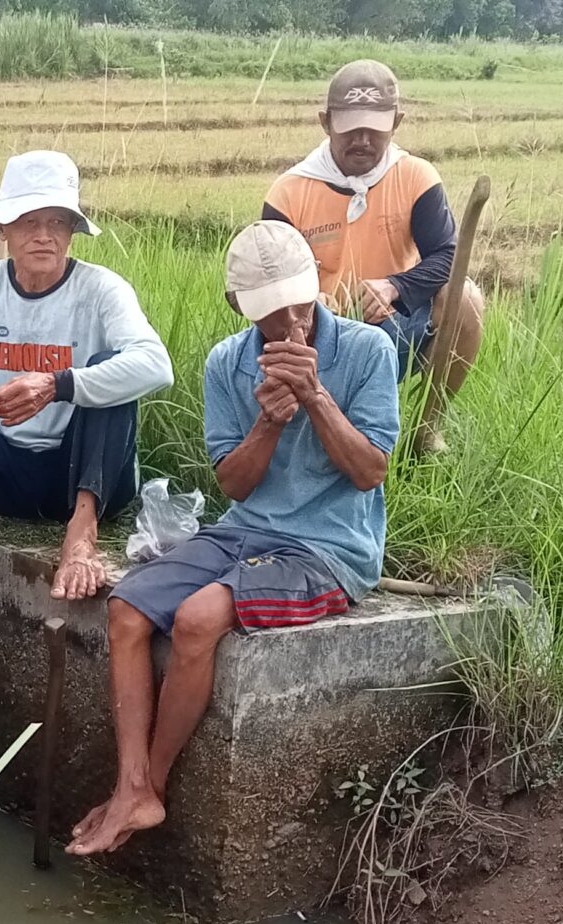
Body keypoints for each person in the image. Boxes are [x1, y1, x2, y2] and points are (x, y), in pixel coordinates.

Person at [68, 221, 399, 857]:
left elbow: (369, 472)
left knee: (198, 619)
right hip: (245, 529)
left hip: (330, 549)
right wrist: (269, 423)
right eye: (273, 315)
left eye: (300, 304)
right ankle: (130, 783)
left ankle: (150, 787)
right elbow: (235, 484)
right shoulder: (227, 362)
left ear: (317, 284)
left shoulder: (368, 351)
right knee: (128, 607)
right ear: (240, 309)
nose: (292, 324)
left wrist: (315, 396)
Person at [0, 150, 171, 600]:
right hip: (1, 470)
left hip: (84, 473)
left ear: (72, 231)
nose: (44, 236)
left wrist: (58, 385)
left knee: (110, 371)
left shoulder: (101, 289)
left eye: (57, 222)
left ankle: (81, 535)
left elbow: (155, 365)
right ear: (3, 229)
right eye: (28, 222)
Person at [263, 59, 484, 456]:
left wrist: (395, 286)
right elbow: (267, 279)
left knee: (465, 296)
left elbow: (449, 254)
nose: (363, 140)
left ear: (396, 123)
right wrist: (307, 306)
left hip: (395, 327)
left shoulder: (415, 177)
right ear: (326, 122)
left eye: (375, 128)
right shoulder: (289, 191)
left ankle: (426, 429)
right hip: (317, 338)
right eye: (350, 128)